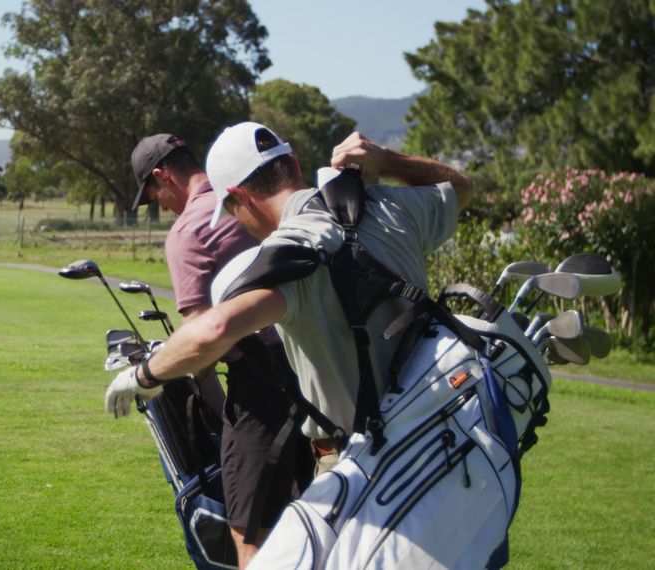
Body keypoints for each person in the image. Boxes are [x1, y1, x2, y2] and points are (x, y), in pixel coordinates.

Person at [106, 122, 473, 477]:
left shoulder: (284, 257)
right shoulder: (391, 206)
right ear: (294, 164)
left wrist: (144, 374)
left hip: (363, 466)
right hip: (450, 443)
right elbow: (461, 187)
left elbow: (214, 328)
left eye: (231, 210)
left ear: (238, 197)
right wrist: (387, 159)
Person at [123, 133, 313, 567]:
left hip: (264, 386)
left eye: (154, 194)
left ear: (162, 175)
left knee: (249, 532)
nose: (161, 205)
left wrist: (168, 374)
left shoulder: (188, 231)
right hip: (316, 367)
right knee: (307, 510)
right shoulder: (262, 194)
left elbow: (202, 340)